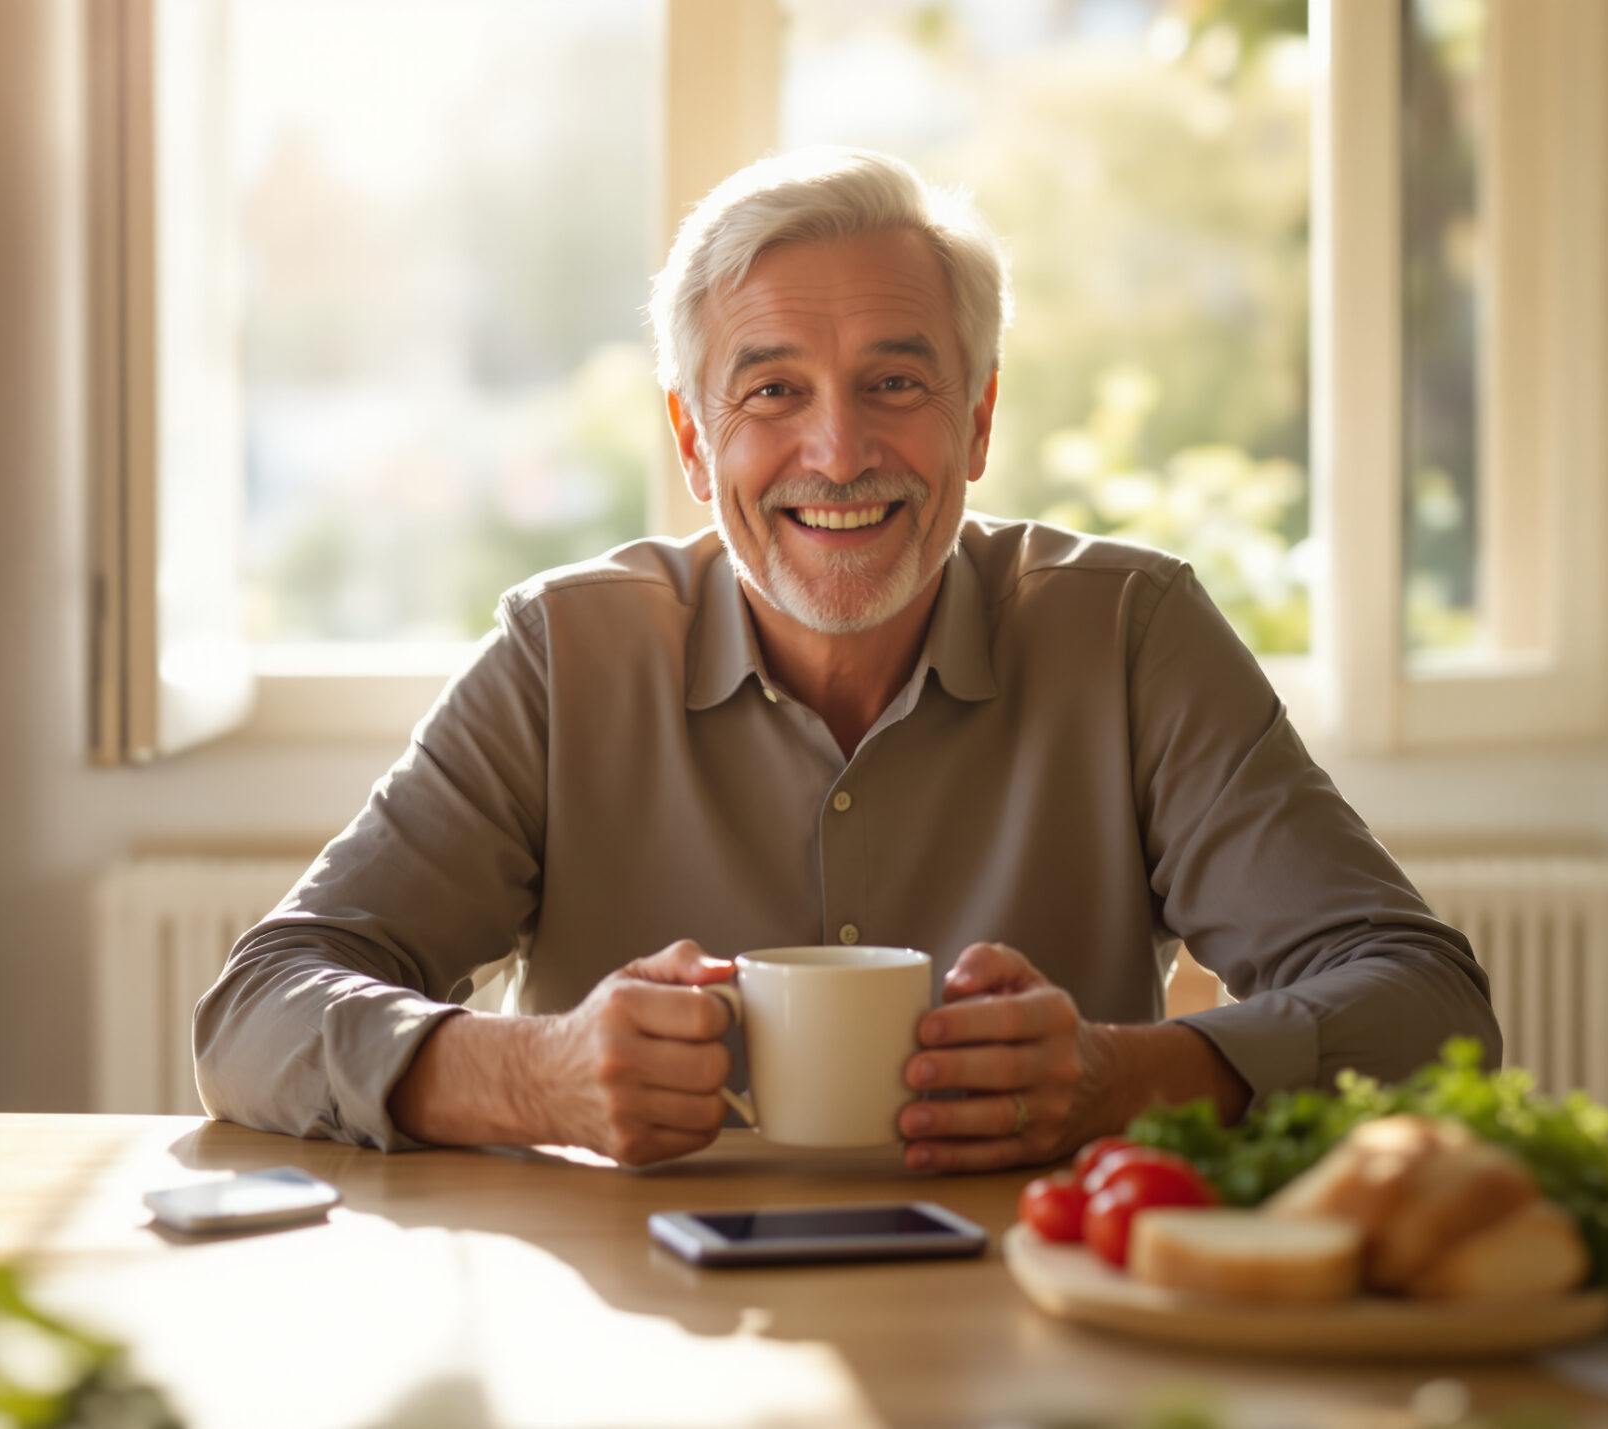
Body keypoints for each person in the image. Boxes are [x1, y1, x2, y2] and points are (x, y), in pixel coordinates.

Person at [194, 147, 1499, 1171]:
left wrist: (1122, 1077)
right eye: (770, 390)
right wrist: (540, 1074)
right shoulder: (562, 654)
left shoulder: (1130, 633)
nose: (836, 451)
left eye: (895, 382)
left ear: (978, 418)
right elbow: (253, 1013)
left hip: (1034, 1337)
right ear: (695, 443)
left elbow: (1431, 1010)